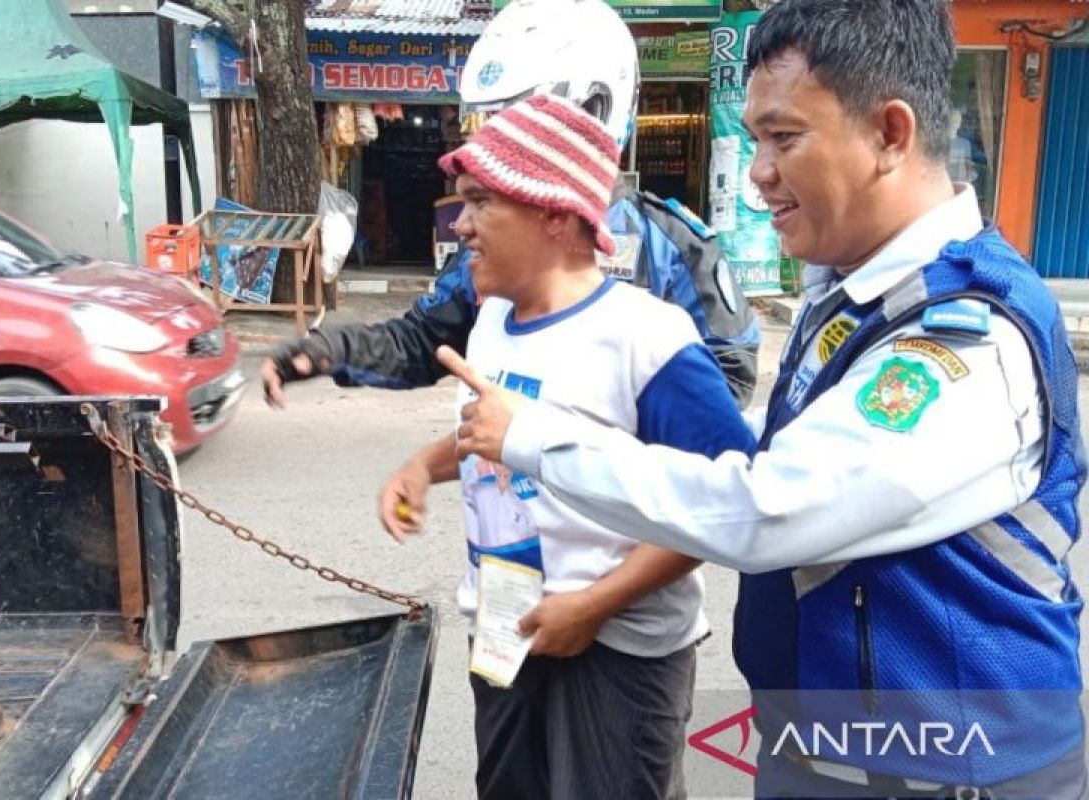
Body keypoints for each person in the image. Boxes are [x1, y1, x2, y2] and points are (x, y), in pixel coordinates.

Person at [439, 1, 1088, 797]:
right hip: (834, 749)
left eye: (784, 138)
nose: (758, 172)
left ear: (890, 133)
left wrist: (539, 438)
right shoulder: (853, 298)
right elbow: (797, 447)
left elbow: (771, 507)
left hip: (951, 770)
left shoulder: (965, 337)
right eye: (755, 140)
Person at [381, 94, 755, 800]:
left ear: (554, 212)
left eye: (480, 202)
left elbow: (725, 502)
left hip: (620, 646)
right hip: (502, 622)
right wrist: (421, 468)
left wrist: (595, 605)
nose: (459, 224)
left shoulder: (649, 337)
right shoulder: (490, 323)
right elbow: (492, 436)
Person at [262, 0, 760, 411]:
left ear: (592, 111)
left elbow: (728, 386)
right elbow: (422, 342)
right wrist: (333, 351)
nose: (467, 222)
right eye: (493, 124)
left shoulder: (673, 250)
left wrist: (571, 440)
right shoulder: (490, 254)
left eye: (517, 121)